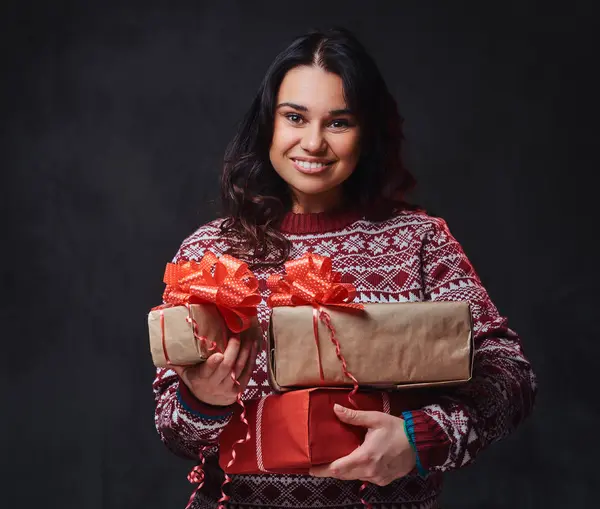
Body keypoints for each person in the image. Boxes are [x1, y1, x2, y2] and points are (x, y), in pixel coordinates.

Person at [153, 27, 537, 509]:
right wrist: (202, 400)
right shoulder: (210, 253)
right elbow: (174, 430)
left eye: (338, 122)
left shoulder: (417, 241)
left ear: (368, 132)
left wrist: (421, 440)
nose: (313, 143)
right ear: (268, 124)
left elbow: (511, 375)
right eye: (295, 117)